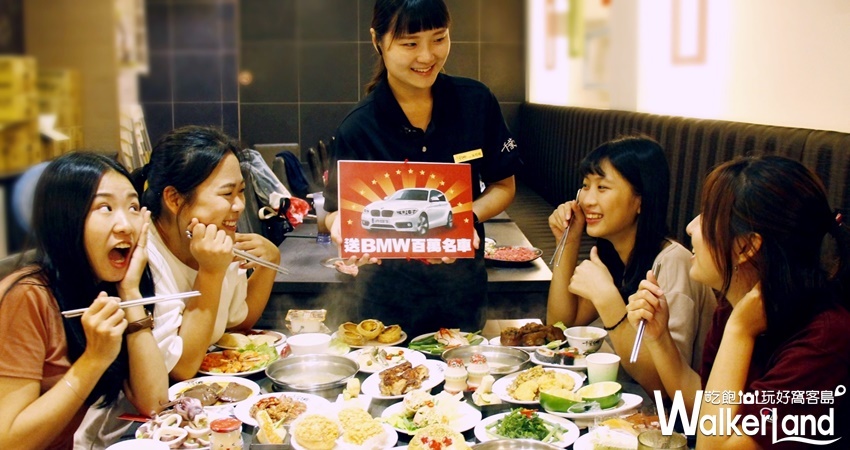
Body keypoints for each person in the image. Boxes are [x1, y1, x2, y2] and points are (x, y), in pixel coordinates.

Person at [322, 0, 519, 336]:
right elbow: (332, 213)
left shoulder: (476, 103)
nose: (427, 57)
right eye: (410, 44)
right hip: (385, 298)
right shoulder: (358, 127)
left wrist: (462, 221)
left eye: (439, 39)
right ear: (377, 41)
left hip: (460, 291)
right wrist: (340, 225)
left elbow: (504, 186)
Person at [627, 155, 850, 449]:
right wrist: (659, 338)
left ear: (746, 246)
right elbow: (707, 407)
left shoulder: (825, 339)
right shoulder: (737, 304)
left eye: (707, 216)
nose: (691, 227)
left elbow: (713, 446)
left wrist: (739, 331)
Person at [0, 152, 168, 450]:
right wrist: (94, 359)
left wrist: (131, 293)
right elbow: (9, 441)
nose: (126, 225)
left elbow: (154, 403)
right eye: (105, 207)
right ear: (65, 218)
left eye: (133, 207)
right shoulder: (27, 295)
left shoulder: (108, 287)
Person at [547, 136, 716, 394]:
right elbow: (560, 327)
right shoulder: (613, 254)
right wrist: (567, 242)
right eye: (585, 185)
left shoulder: (673, 263)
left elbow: (664, 387)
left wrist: (607, 300)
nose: (587, 200)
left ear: (641, 199)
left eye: (602, 187)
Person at [136, 125, 280, 381]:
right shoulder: (145, 257)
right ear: (175, 199)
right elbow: (180, 368)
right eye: (227, 193)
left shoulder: (217, 236)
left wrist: (270, 263)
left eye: (241, 191)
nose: (239, 205)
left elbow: (236, 322)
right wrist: (211, 272)